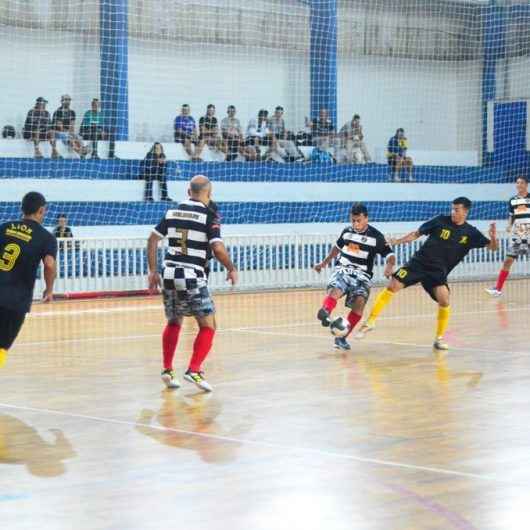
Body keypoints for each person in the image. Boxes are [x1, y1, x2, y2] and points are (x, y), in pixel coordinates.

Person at [356, 197, 498, 350]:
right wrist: (397, 241)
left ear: (465, 211)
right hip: (419, 263)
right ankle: (370, 322)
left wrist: (493, 236)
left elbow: (493, 247)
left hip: (438, 273)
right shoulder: (440, 220)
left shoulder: (471, 233)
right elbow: (416, 234)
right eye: (452, 209)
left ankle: (439, 339)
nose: (453, 212)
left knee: (444, 299)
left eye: (456, 210)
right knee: (393, 285)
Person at [147, 175, 238, 392]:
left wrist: (153, 271)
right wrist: (231, 268)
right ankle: (194, 370)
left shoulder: (172, 212)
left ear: (188, 192)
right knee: (208, 325)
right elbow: (217, 248)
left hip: (168, 273)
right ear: (209, 193)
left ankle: (168, 370)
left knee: (174, 321)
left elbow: (152, 239)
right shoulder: (209, 215)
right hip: (191, 275)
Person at [314, 203, 395, 350]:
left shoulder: (377, 237)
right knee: (336, 289)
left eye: (358, 220)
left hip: (362, 276)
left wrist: (389, 267)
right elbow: (336, 249)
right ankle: (325, 311)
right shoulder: (347, 232)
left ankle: (341, 338)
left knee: (359, 305)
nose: (355, 224)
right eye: (353, 220)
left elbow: (390, 255)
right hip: (344, 269)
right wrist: (323, 263)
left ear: (366, 218)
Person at [0, 192, 57, 367]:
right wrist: (49, 289)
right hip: (15, 301)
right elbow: (49, 264)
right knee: (1, 346)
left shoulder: (4, 227)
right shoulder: (47, 238)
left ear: (22, 209)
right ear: (41, 210)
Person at [486, 176, 530, 297]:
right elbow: (512, 216)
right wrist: (509, 225)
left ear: (526, 184)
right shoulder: (512, 200)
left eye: (521, 183)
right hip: (519, 234)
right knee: (508, 260)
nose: (519, 185)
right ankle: (498, 289)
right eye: (517, 183)